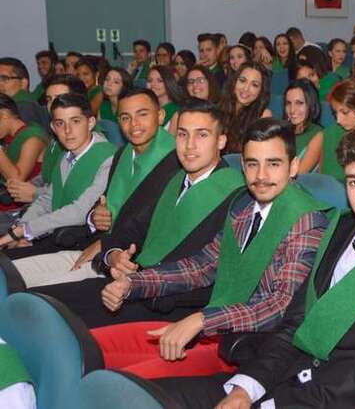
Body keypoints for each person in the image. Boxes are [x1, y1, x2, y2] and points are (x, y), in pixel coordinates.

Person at [155, 123, 355, 408]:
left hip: (334, 398)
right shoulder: (341, 227)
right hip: (281, 375)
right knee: (151, 397)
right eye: (354, 181)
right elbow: (295, 323)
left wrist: (271, 405)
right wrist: (246, 388)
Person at [91, 118, 333, 379]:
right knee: (95, 346)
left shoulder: (306, 220)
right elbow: (203, 266)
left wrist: (203, 320)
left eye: (273, 164)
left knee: (121, 378)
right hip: (215, 326)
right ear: (243, 166)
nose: (261, 176)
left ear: (293, 166)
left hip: (250, 349)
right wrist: (133, 283)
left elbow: (279, 305)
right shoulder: (244, 205)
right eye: (253, 164)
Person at [28, 98, 245, 329]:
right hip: (130, 283)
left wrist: (136, 284)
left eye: (202, 135)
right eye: (183, 134)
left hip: (168, 305)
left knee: (54, 325)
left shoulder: (236, 197)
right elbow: (134, 226)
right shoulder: (172, 177)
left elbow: (208, 273)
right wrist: (113, 255)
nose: (190, 145)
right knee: (35, 303)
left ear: (221, 141)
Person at [9, 88, 180, 289]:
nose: (134, 124)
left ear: (160, 116)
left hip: (130, 262)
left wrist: (105, 244)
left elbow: (146, 222)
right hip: (98, 246)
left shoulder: (174, 163)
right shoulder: (124, 154)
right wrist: (96, 215)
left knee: (36, 296)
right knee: (8, 275)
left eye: (142, 114)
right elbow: (103, 203)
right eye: (125, 117)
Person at [0, 94, 115, 269]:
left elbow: (79, 212)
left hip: (80, 242)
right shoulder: (67, 154)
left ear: (91, 122)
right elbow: (47, 199)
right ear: (53, 127)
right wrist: (23, 231)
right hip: (52, 232)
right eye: (60, 123)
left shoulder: (108, 157)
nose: (68, 130)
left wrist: (22, 231)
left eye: (75, 121)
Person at [0, 95, 48, 218]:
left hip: (18, 207)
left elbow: (16, 180)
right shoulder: (8, 137)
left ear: (3, 115)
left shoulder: (32, 137)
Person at [220, 62, 273, 154]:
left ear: (261, 91)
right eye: (242, 80)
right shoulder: (219, 108)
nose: (246, 88)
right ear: (234, 82)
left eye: (254, 85)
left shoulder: (263, 115)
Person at [282, 79, 323, 174]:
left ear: (311, 105)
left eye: (299, 103)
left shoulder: (318, 134)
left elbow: (299, 174)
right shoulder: (280, 131)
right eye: (288, 103)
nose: (292, 110)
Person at [147, 65, 183, 132]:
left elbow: (170, 138)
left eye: (160, 81)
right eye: (150, 80)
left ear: (168, 82)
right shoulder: (146, 107)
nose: (153, 84)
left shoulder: (176, 110)